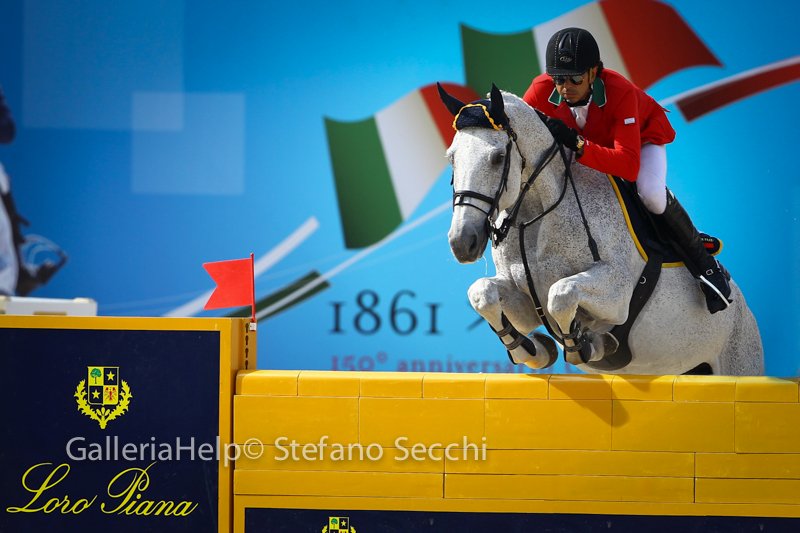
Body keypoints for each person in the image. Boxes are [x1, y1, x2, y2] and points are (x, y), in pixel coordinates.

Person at [522, 27, 731, 314]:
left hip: (640, 143)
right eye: (558, 79)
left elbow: (628, 166)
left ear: (593, 72)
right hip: (592, 145)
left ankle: (706, 266)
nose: (565, 87)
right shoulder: (540, 90)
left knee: (650, 194)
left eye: (575, 78)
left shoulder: (619, 91)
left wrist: (578, 144)